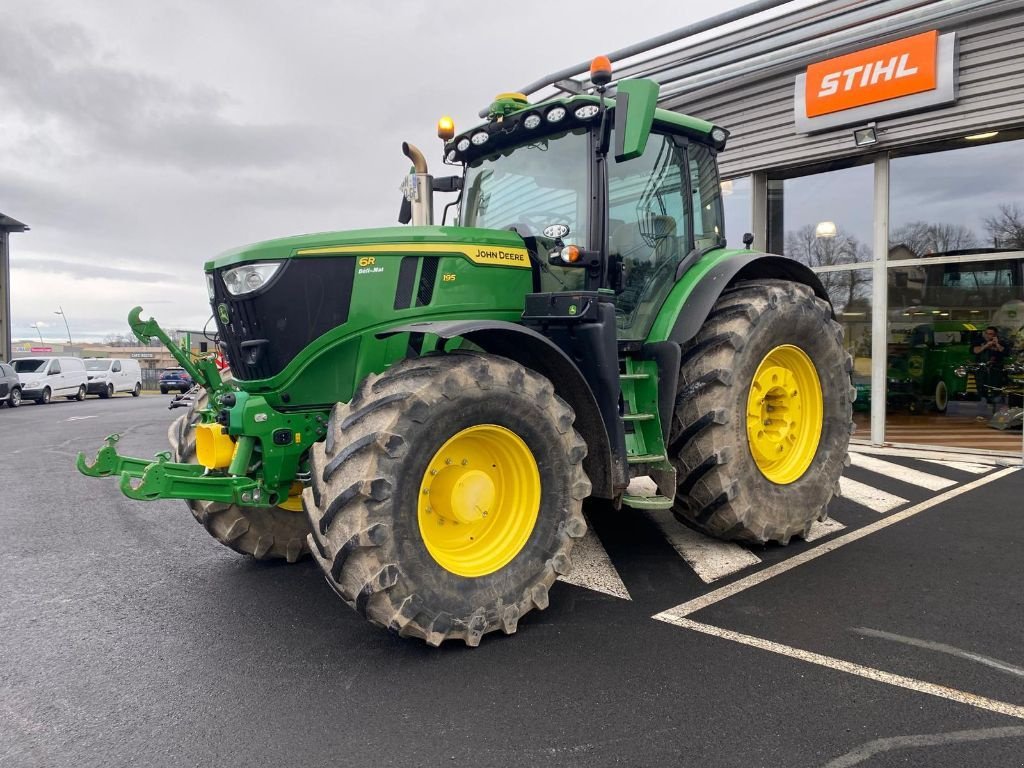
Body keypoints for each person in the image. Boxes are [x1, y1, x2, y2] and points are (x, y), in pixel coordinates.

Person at [972, 326, 1007, 410]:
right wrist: (986, 345)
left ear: (995, 335)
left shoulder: (1001, 342)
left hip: (996, 369)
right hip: (981, 368)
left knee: (996, 387)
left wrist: (997, 344)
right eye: (987, 333)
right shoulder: (978, 341)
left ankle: (996, 406)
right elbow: (975, 351)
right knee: (981, 386)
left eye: (991, 334)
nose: (988, 336)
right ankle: (983, 402)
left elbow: (1005, 352)